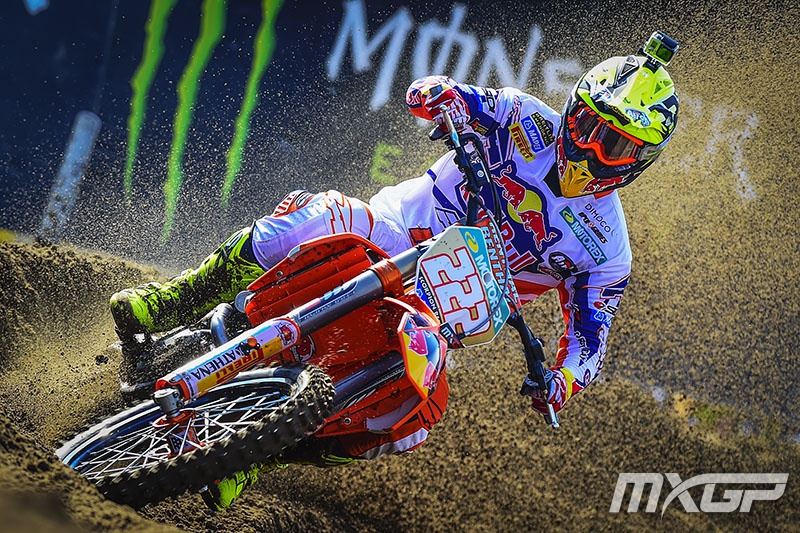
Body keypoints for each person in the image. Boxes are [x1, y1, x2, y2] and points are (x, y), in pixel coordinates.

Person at [110, 33, 679, 510]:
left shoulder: (609, 251)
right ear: (573, 106)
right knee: (316, 218)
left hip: (445, 310)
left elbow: (591, 341)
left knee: (415, 418)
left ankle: (257, 456)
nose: (589, 147)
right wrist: (440, 98)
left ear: (638, 161)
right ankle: (170, 301)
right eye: (586, 123)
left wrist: (562, 382)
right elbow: (439, 91)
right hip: (393, 232)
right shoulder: (522, 116)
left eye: (613, 144)